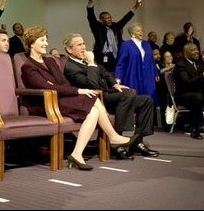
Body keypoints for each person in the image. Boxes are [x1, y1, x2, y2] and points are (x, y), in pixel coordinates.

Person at [21, 26, 137, 170]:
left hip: (61, 98)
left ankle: (77, 154)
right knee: (92, 100)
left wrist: (59, 86)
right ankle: (112, 136)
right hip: (45, 103)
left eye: (46, 40)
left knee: (93, 107)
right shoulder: (28, 66)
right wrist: (77, 90)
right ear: (32, 43)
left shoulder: (50, 61)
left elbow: (62, 83)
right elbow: (46, 87)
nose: (46, 43)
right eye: (42, 40)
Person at [63, 33, 158, 159]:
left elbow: (104, 72)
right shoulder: (71, 67)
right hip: (96, 99)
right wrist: (91, 63)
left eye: (84, 44)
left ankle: (137, 141)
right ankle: (116, 143)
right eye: (79, 45)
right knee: (127, 95)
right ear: (69, 49)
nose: (84, 47)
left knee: (146, 100)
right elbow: (92, 85)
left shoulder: (85, 60)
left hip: (108, 93)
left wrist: (115, 84)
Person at [86, 0, 142, 73]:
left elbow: (125, 19)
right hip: (102, 56)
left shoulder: (115, 26)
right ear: (101, 20)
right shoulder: (97, 27)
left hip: (116, 55)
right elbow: (91, 17)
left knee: (116, 75)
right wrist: (90, 1)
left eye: (110, 17)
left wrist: (135, 6)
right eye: (106, 18)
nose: (109, 19)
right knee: (105, 75)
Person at [115, 22, 158, 104]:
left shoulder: (147, 44)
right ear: (132, 33)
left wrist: (155, 73)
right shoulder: (126, 45)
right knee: (136, 99)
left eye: (141, 30)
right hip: (133, 76)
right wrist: (118, 77)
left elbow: (151, 60)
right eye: (138, 31)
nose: (141, 32)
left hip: (148, 76)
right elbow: (121, 63)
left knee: (150, 98)